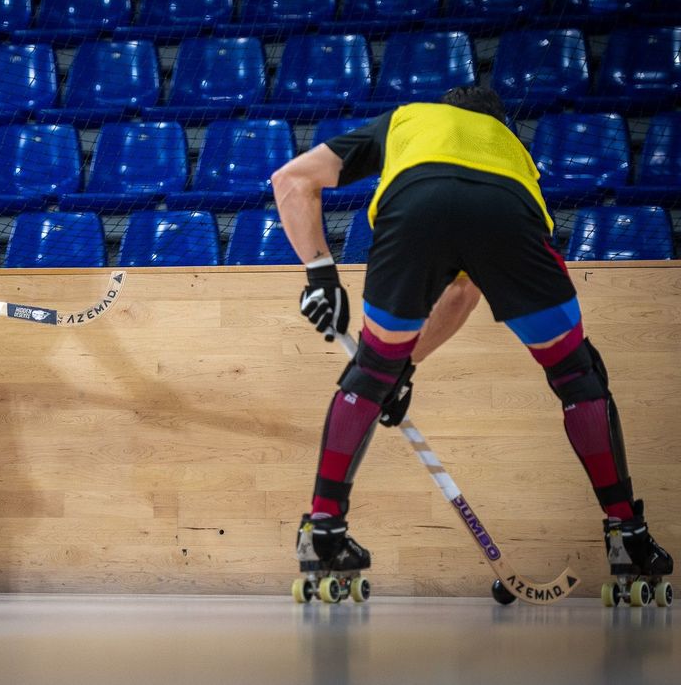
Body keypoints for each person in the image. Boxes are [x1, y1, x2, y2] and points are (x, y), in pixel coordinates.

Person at [270, 86, 672, 598]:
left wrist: (322, 277)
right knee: (577, 375)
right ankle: (627, 535)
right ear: (495, 121)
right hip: (504, 211)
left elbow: (291, 180)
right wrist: (409, 367)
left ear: (446, 108)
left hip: (413, 204)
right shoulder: (510, 148)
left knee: (370, 372)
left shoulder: (407, 120)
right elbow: (465, 290)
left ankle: (323, 531)